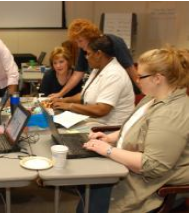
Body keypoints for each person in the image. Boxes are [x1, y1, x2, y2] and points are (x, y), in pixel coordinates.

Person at [77, 47, 189, 213]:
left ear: (158, 78)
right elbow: (135, 127)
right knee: (87, 187)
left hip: (145, 187)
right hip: (126, 167)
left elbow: (152, 165)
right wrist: (110, 138)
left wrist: (108, 150)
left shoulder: (170, 114)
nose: (136, 80)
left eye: (141, 76)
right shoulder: (152, 97)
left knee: (90, 190)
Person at [52, 36, 134, 126]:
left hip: (109, 127)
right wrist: (63, 101)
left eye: (88, 54)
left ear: (98, 54)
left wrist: (70, 106)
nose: (87, 58)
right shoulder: (97, 69)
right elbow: (84, 95)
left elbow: (101, 110)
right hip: (96, 121)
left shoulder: (114, 74)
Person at [49, 18, 139, 99]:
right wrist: (60, 94)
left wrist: (144, 92)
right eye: (76, 42)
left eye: (80, 41)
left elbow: (130, 68)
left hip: (121, 87)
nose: (79, 45)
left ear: (90, 37)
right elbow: (77, 74)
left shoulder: (114, 42)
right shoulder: (84, 48)